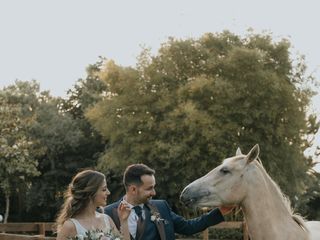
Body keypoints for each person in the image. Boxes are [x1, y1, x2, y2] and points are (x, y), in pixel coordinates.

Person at [105, 164, 233, 240]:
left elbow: (188, 227)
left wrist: (220, 212)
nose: (154, 193)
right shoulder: (107, 214)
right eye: (149, 188)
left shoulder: (161, 207)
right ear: (133, 189)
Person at [56, 169, 131, 240]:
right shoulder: (70, 226)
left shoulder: (107, 219)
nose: (108, 192)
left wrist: (124, 221)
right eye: (104, 189)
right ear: (90, 193)